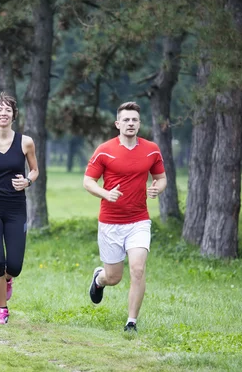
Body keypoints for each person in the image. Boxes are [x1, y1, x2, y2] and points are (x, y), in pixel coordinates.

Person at [83, 101, 166, 332]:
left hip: (139, 220)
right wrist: (105, 194)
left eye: (135, 120)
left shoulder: (151, 149)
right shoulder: (104, 150)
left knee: (138, 269)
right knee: (114, 277)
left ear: (139, 124)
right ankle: (99, 278)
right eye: (126, 120)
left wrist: (156, 189)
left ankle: (131, 322)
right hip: (110, 222)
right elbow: (88, 181)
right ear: (117, 124)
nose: (130, 123)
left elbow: (161, 178)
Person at [0, 92, 39, 324]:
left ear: (13, 115)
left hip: (16, 209)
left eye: (8, 110)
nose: (3, 113)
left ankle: (7, 279)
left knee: (14, 266)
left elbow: (34, 170)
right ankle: (2, 309)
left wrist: (28, 182)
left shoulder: (25, 142)